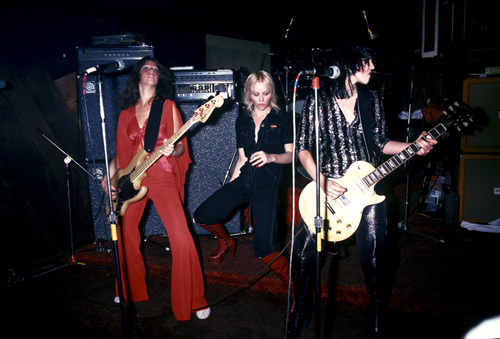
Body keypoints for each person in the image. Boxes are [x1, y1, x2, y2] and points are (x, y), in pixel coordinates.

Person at [287, 43, 437, 337]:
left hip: (366, 189)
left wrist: (413, 147)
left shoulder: (372, 98)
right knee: (303, 257)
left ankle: (379, 314)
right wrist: (322, 180)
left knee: (375, 258)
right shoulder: (319, 98)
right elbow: (303, 148)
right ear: (348, 64)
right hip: (327, 188)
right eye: (366, 62)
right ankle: (300, 308)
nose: (372, 67)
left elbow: (381, 143)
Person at [101, 56, 210, 321]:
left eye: (156, 69)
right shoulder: (126, 113)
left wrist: (174, 149)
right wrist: (108, 177)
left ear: (160, 77)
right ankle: (129, 288)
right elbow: (122, 155)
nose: (152, 71)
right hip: (134, 178)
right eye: (147, 68)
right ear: (138, 75)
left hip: (161, 176)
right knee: (125, 230)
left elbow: (182, 146)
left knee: (182, 237)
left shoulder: (167, 106)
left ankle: (194, 299)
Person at [193, 70, 294, 292]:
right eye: (255, 94)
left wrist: (271, 157)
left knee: (264, 245)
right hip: (245, 178)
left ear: (272, 94)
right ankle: (227, 242)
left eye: (265, 94)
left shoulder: (283, 119)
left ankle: (293, 289)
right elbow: (241, 158)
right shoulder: (242, 121)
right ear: (248, 94)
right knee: (202, 215)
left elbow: (291, 155)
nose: (260, 99)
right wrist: (231, 185)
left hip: (268, 181)